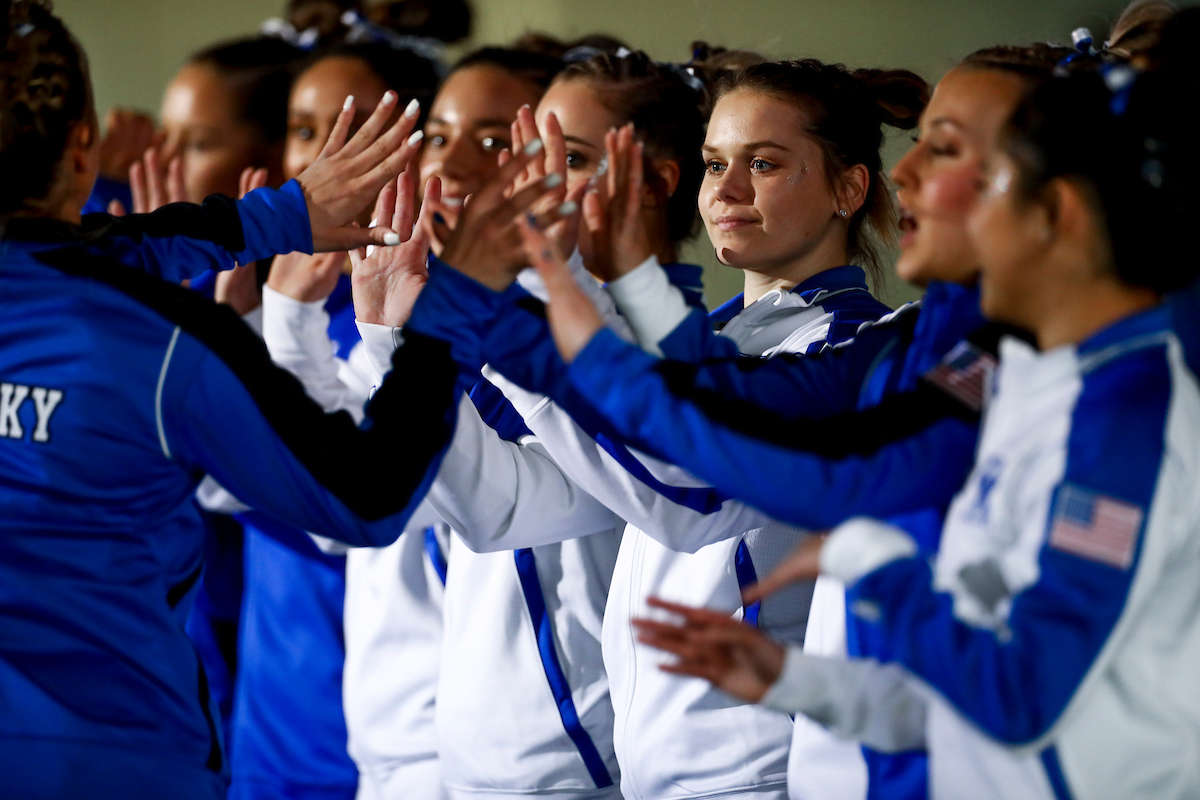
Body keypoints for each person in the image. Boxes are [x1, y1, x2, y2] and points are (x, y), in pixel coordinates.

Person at [630, 9, 1200, 800]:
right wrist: (801, 683)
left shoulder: (1128, 405)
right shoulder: (994, 359)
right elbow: (968, 678)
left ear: (1056, 202)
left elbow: (1022, 692)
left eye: (952, 151)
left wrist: (870, 560)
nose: (906, 175)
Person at [0, 2, 554, 795]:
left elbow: (61, 255)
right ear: (83, 146)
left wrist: (277, 221)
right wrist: (448, 309)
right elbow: (366, 494)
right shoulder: (162, 346)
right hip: (117, 765)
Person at [368, 49, 925, 800]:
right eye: (715, 162)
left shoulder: (860, 345)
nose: (725, 189)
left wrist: (534, 317)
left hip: (752, 775)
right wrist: (399, 334)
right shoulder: (707, 338)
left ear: (849, 187)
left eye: (762, 164)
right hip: (649, 775)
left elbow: (690, 502)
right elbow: (507, 509)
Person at [223, 37, 440, 800]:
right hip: (272, 729)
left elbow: (336, 506)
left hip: (377, 745)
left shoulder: (411, 325)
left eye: (353, 132)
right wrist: (243, 333)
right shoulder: (279, 299)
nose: (321, 159)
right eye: (306, 130)